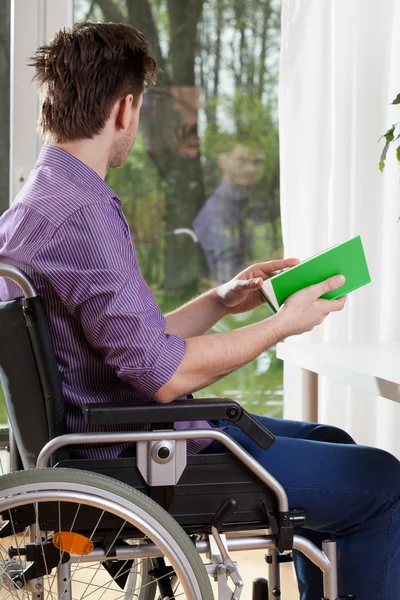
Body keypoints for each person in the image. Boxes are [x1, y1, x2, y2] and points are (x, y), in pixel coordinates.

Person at [0, 22, 399, 599]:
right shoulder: (82, 213)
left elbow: (130, 344)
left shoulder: (41, 202)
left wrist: (220, 299)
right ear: (125, 109)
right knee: (381, 480)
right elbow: (167, 377)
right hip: (140, 455)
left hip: (112, 434)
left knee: (333, 439)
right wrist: (282, 324)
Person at [193, 141, 265, 284]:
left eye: (257, 162)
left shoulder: (249, 204)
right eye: (241, 160)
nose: (250, 168)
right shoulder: (218, 210)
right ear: (223, 161)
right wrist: (281, 259)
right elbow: (229, 277)